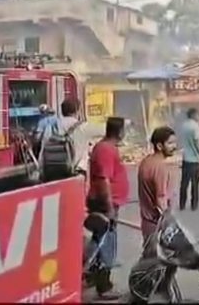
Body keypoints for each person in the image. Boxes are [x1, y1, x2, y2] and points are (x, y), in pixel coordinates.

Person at [87, 116, 129, 299]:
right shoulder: (106, 150)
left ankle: (93, 276)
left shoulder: (106, 148)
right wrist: (109, 206)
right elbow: (104, 179)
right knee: (106, 243)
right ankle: (104, 286)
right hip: (104, 204)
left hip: (105, 202)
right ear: (119, 132)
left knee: (100, 240)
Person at [138, 126, 177, 247]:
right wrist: (170, 224)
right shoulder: (160, 167)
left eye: (175, 142)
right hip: (157, 225)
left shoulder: (146, 162)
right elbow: (161, 198)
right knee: (160, 262)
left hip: (147, 223)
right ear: (159, 146)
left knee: (150, 259)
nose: (174, 146)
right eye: (170, 143)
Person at [180, 108, 199, 211]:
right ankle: (194, 205)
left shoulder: (183, 126)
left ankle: (182, 204)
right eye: (198, 114)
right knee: (195, 184)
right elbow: (196, 143)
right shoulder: (195, 126)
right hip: (195, 160)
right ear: (194, 115)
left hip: (185, 158)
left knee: (184, 183)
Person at [59, 98, 89, 177]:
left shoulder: (53, 125)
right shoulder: (82, 126)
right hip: (77, 170)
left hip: (54, 169)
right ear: (77, 111)